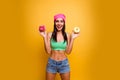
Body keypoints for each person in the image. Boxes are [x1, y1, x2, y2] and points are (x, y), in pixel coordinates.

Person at [39, 13, 79, 80]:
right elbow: (48, 51)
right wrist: (44, 37)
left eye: (61, 21)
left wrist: (73, 38)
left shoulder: (67, 35)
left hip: (64, 64)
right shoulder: (49, 34)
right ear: (54, 23)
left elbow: (68, 52)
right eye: (57, 21)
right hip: (51, 63)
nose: (59, 23)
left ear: (64, 23)